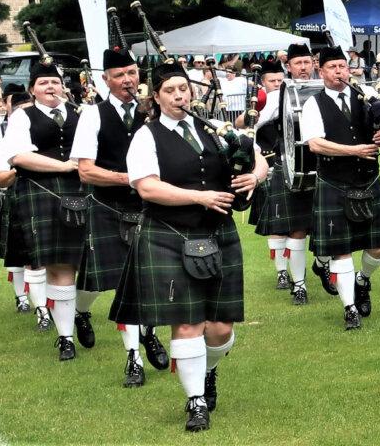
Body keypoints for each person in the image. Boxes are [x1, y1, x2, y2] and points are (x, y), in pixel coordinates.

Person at [111, 61, 268, 432]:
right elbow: (146, 187)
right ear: (157, 97)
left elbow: (257, 157)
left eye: (183, 88)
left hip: (218, 234)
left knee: (220, 329)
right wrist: (198, 198)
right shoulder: (146, 136)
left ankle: (208, 371)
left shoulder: (214, 129)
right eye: (170, 90)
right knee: (187, 323)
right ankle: (196, 401)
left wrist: (254, 177)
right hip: (167, 233)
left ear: (192, 92)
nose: (179, 95)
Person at [72, 44, 170, 386]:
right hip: (108, 207)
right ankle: (81, 312)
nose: (127, 80)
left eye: (131, 73)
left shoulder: (153, 112)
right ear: (105, 79)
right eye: (119, 75)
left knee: (146, 279)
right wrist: (130, 179)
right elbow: (85, 171)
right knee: (103, 283)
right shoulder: (92, 115)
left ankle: (138, 350)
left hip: (149, 207)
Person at [300, 46, 380, 330]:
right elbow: (315, 143)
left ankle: (362, 279)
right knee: (341, 250)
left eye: (343, 66)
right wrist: (353, 150)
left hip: (369, 180)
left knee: (377, 248)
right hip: (334, 181)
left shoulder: (366, 95)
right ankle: (350, 307)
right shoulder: (313, 104)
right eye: (333, 67)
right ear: (322, 72)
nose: (339, 71)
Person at [2, 61, 89, 360]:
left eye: (55, 81)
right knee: (58, 265)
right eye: (43, 83)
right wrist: (65, 166)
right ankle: (66, 338)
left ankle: (82, 311)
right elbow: (19, 156)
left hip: (83, 190)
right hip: (42, 192)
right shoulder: (22, 116)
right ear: (32, 90)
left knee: (91, 263)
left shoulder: (82, 113)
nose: (50, 87)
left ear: (63, 85)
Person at [253, 58, 315, 305]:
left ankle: (322, 267)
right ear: (289, 65)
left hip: (323, 165)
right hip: (288, 165)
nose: (303, 67)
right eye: (298, 63)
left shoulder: (320, 88)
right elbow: (254, 124)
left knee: (320, 226)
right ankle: (294, 281)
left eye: (307, 62)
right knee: (291, 227)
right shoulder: (280, 96)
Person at [0, 88, 32, 314]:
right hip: (8, 191)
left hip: (33, 190)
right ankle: (21, 297)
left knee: (36, 254)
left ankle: (44, 299)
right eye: (13, 106)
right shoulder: (0, 127)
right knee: (15, 250)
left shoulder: (37, 125)